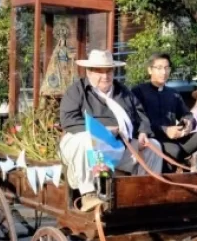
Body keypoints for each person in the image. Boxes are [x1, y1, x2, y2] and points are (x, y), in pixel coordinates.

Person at [59, 50, 163, 212]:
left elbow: (141, 116)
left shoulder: (124, 92)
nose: (105, 76)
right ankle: (88, 194)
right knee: (86, 138)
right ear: (89, 72)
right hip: (88, 148)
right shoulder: (77, 90)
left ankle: (143, 193)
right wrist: (100, 131)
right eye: (99, 71)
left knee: (154, 145)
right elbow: (68, 120)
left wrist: (143, 132)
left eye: (109, 71)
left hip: (117, 147)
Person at [131, 52, 197, 172]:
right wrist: (165, 130)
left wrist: (189, 123)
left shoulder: (173, 93)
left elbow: (187, 115)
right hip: (153, 141)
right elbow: (138, 122)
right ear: (150, 70)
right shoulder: (138, 92)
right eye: (159, 68)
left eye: (166, 68)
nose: (164, 72)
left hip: (176, 139)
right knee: (174, 150)